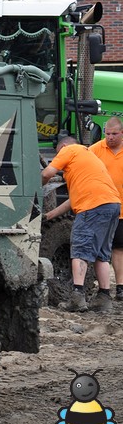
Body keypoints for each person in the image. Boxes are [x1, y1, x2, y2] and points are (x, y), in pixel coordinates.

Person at [42, 136, 121, 312]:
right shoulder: (89, 156)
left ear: (62, 146)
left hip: (93, 206)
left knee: (79, 249)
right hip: (112, 205)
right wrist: (50, 215)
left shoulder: (69, 150)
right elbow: (74, 199)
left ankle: (77, 297)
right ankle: (104, 298)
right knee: (102, 253)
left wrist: (33, 189)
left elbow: (47, 173)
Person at [89, 117, 123, 306]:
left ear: (122, 133)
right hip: (100, 206)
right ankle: (101, 288)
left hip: (121, 207)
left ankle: (120, 286)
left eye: (114, 134)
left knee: (118, 248)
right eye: (107, 134)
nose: (109, 138)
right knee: (99, 248)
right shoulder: (96, 149)